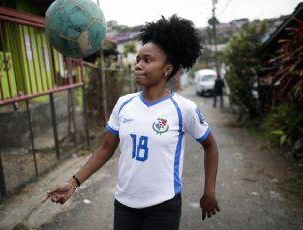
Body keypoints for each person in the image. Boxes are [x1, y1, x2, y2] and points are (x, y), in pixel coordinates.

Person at [42, 15, 220, 230]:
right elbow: (106, 148)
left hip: (163, 206)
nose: (137, 65)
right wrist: (73, 183)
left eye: (147, 60)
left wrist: (209, 190)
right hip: (124, 205)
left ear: (167, 69)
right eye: (137, 59)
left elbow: (210, 146)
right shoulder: (124, 104)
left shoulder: (184, 108)